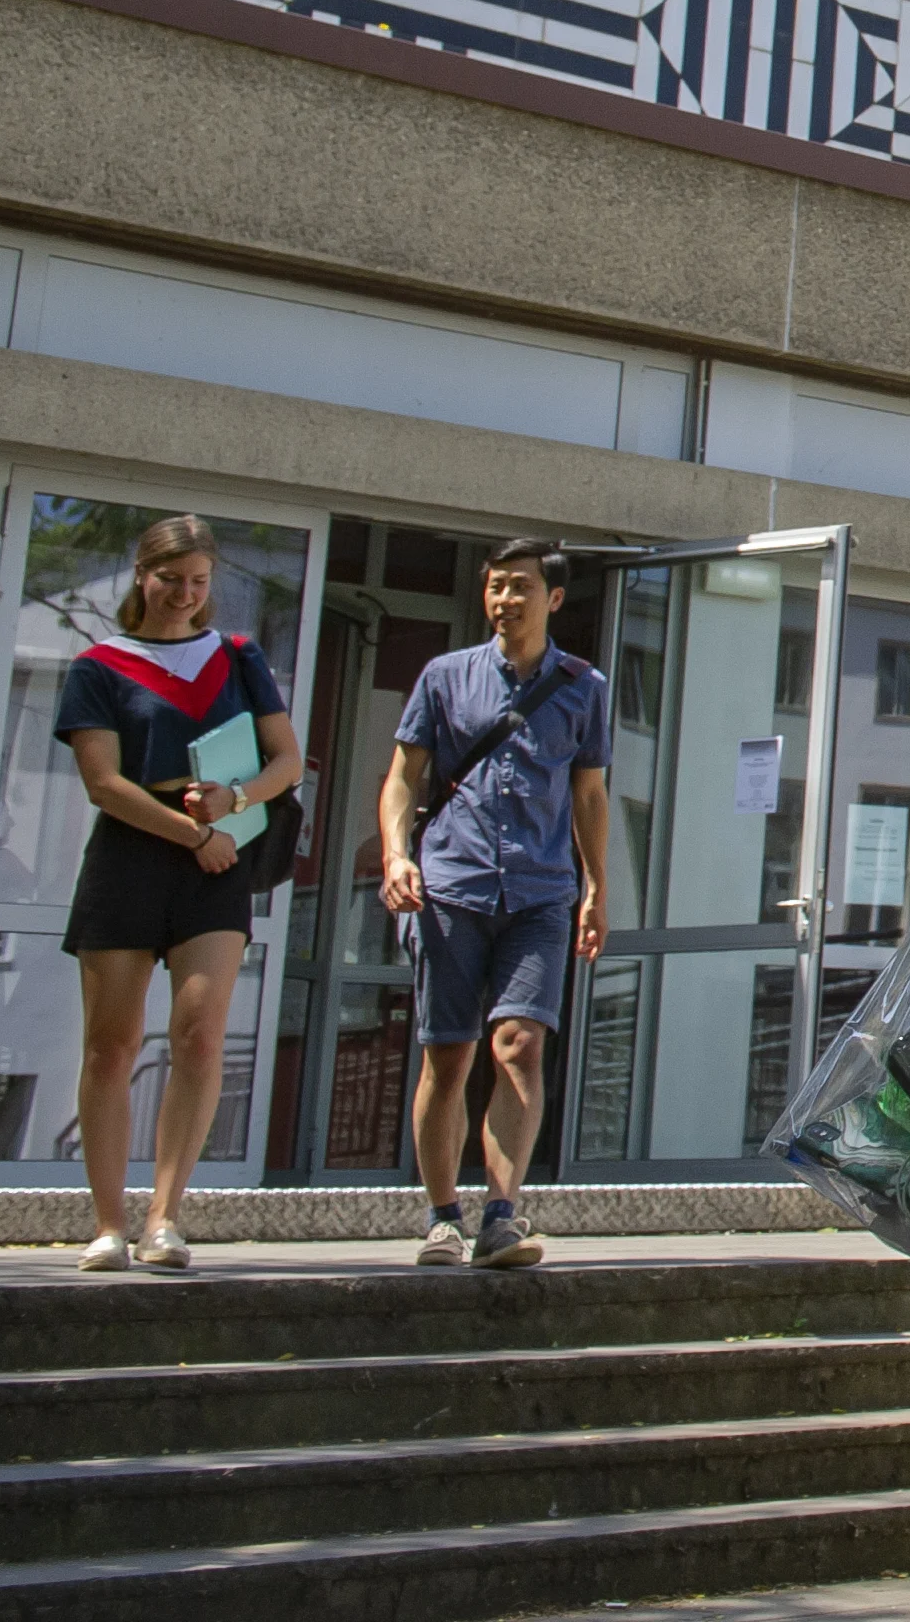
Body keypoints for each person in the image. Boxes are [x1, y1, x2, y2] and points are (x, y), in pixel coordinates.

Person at [57, 514, 304, 1272]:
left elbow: (286, 760)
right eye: (171, 581)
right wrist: (194, 833)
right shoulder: (99, 665)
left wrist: (234, 801)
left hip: (220, 856)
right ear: (143, 574)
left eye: (199, 584)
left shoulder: (237, 655)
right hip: (136, 854)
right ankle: (107, 1223)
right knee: (113, 1043)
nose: (185, 597)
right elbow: (104, 783)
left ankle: (165, 1217)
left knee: (200, 1035)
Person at [379, 537, 611, 1269]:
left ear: (554, 599)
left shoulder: (584, 686)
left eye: (520, 586)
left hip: (542, 893)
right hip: (451, 886)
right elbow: (401, 779)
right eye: (496, 586)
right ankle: (443, 1217)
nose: (505, 599)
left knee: (521, 1044)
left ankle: (502, 1215)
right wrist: (394, 854)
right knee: (448, 1055)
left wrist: (597, 887)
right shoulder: (444, 678)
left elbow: (589, 793)